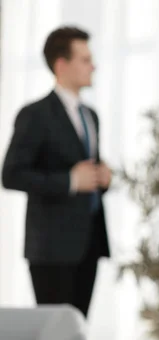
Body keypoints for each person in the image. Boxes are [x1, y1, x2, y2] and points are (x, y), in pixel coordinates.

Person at [2, 26, 111, 318]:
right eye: (85, 59)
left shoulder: (91, 116)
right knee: (54, 334)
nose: (93, 66)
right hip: (51, 246)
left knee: (76, 331)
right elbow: (11, 174)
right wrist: (69, 181)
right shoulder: (35, 114)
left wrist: (102, 178)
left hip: (88, 241)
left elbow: (87, 168)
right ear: (61, 65)